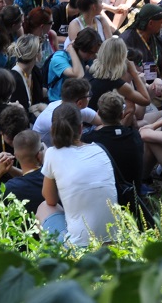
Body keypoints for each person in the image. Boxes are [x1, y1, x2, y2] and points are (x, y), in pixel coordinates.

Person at [38, 103, 118, 246]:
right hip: (113, 242)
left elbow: (50, 200)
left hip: (80, 247)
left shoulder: (52, 153)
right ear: (81, 128)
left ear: (52, 129)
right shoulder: (99, 150)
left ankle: (55, 258)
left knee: (44, 207)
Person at [0, 129, 47, 216]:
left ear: (16, 155)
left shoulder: (12, 188)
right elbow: (31, 176)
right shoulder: (50, 174)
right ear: (39, 155)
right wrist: (10, 169)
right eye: (42, 148)